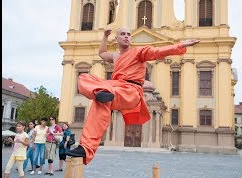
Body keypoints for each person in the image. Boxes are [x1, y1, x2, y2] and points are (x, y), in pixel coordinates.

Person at [65, 27, 200, 165]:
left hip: (131, 90)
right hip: (115, 86)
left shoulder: (138, 52)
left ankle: (101, 94)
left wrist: (181, 45)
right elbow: (102, 53)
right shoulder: (116, 56)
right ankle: (85, 147)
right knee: (83, 77)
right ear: (116, 38)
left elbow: (158, 52)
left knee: (103, 95)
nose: (126, 36)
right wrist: (105, 36)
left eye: (129, 34)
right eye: (122, 34)